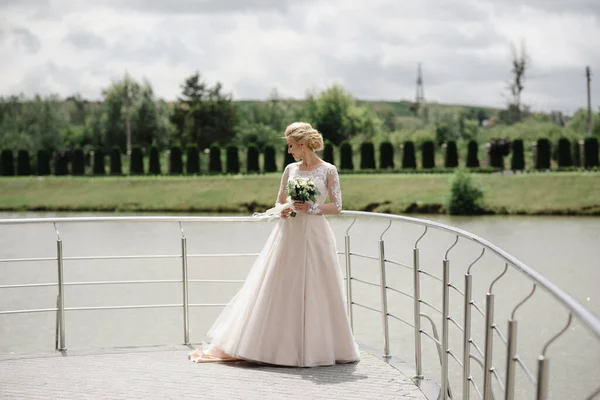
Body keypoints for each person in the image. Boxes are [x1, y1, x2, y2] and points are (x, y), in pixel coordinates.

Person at [188, 122, 360, 367]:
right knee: (281, 286)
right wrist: (285, 209)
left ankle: (321, 348)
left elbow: (337, 207)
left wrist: (311, 207)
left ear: (302, 145)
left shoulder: (329, 170)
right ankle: (274, 348)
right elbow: (280, 200)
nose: (289, 151)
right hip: (289, 233)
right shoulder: (290, 169)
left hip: (316, 234)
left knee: (320, 286)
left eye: (291, 146)